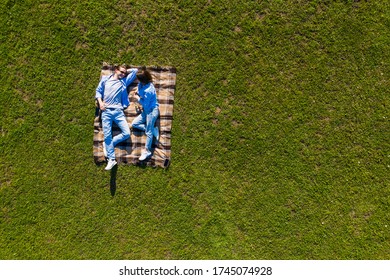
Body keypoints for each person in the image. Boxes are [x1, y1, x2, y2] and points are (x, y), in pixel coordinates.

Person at [95, 64, 138, 170]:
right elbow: (98, 91)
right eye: (121, 72)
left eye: (124, 73)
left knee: (126, 133)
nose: (123, 74)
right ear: (115, 70)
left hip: (118, 111)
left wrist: (126, 71)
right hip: (106, 111)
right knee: (107, 134)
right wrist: (100, 103)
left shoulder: (123, 82)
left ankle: (109, 144)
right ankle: (111, 159)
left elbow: (135, 71)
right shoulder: (105, 79)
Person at [131, 69, 159, 161]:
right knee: (134, 124)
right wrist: (137, 91)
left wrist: (138, 98)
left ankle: (147, 150)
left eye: (138, 79)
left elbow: (146, 104)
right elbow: (139, 88)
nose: (137, 81)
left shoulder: (148, 90)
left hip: (151, 111)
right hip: (146, 111)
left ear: (142, 80)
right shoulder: (142, 84)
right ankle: (152, 128)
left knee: (149, 133)